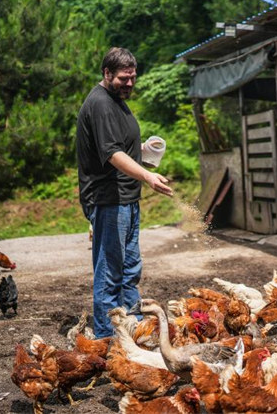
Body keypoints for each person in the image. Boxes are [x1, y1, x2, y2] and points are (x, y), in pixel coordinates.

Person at [76, 47, 173, 338]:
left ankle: (132, 330)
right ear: (106, 73)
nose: (129, 84)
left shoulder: (117, 101)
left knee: (130, 270)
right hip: (108, 200)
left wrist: (144, 152)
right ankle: (108, 339)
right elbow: (110, 154)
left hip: (126, 197)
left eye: (132, 78)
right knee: (110, 274)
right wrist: (147, 176)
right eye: (123, 78)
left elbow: (120, 148)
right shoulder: (101, 104)